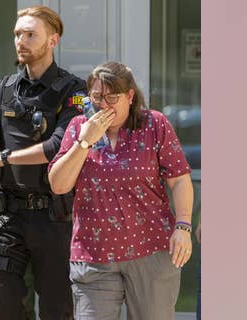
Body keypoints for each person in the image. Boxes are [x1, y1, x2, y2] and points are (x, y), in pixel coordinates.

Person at [0, 5, 86, 320]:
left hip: (56, 217)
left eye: (31, 34)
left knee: (58, 310)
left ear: (52, 40)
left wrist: (3, 158)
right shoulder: (2, 89)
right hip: (8, 217)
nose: (21, 40)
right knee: (3, 306)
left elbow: (60, 144)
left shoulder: (76, 92)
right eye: (18, 34)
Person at [48, 61, 194, 319]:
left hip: (151, 251)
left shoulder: (154, 124)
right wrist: (84, 142)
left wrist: (183, 225)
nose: (103, 105)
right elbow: (59, 185)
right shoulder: (78, 127)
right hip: (94, 255)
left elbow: (179, 179)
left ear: (129, 96)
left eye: (111, 97)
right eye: (96, 96)